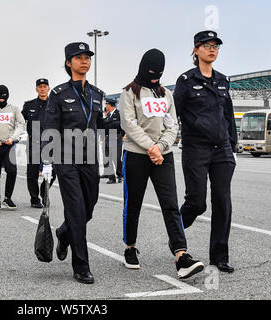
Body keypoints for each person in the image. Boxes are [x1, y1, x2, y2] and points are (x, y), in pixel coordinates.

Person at [119, 48, 205, 279]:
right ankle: (130, 247)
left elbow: (172, 125)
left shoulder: (166, 94)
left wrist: (162, 147)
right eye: (151, 73)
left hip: (163, 157)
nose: (155, 77)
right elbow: (129, 124)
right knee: (133, 203)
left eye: (159, 73)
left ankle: (181, 256)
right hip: (136, 155)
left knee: (170, 204)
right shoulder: (129, 93)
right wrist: (151, 147)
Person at [41, 42, 105, 284]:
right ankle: (81, 265)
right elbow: (49, 128)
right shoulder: (59, 94)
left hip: (90, 159)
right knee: (76, 210)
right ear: (69, 63)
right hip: (65, 159)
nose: (84, 61)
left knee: (88, 207)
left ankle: (64, 232)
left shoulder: (97, 94)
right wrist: (47, 162)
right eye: (78, 58)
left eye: (87, 57)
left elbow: (101, 124)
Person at [173, 31, 237, 273]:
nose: (213, 49)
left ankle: (219, 256)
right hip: (196, 149)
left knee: (222, 202)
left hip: (221, 151)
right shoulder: (186, 81)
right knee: (197, 202)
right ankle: (176, 233)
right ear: (196, 49)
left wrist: (232, 144)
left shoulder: (222, 80)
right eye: (208, 46)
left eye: (216, 46)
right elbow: (174, 114)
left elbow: (228, 115)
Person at [22, 78, 53, 208]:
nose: (42, 88)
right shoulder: (29, 106)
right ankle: (34, 198)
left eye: (45, 86)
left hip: (50, 144)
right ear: (36, 89)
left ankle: (44, 191)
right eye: (40, 86)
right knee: (32, 173)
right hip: (33, 144)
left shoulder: (54, 105)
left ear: (48, 88)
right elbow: (19, 121)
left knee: (53, 172)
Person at [101, 97, 125, 184]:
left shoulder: (119, 114)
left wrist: (120, 136)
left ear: (109, 105)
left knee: (117, 158)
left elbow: (124, 126)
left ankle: (120, 175)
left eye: (106, 104)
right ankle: (111, 177)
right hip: (107, 138)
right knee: (106, 158)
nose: (105, 106)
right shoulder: (107, 115)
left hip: (116, 138)